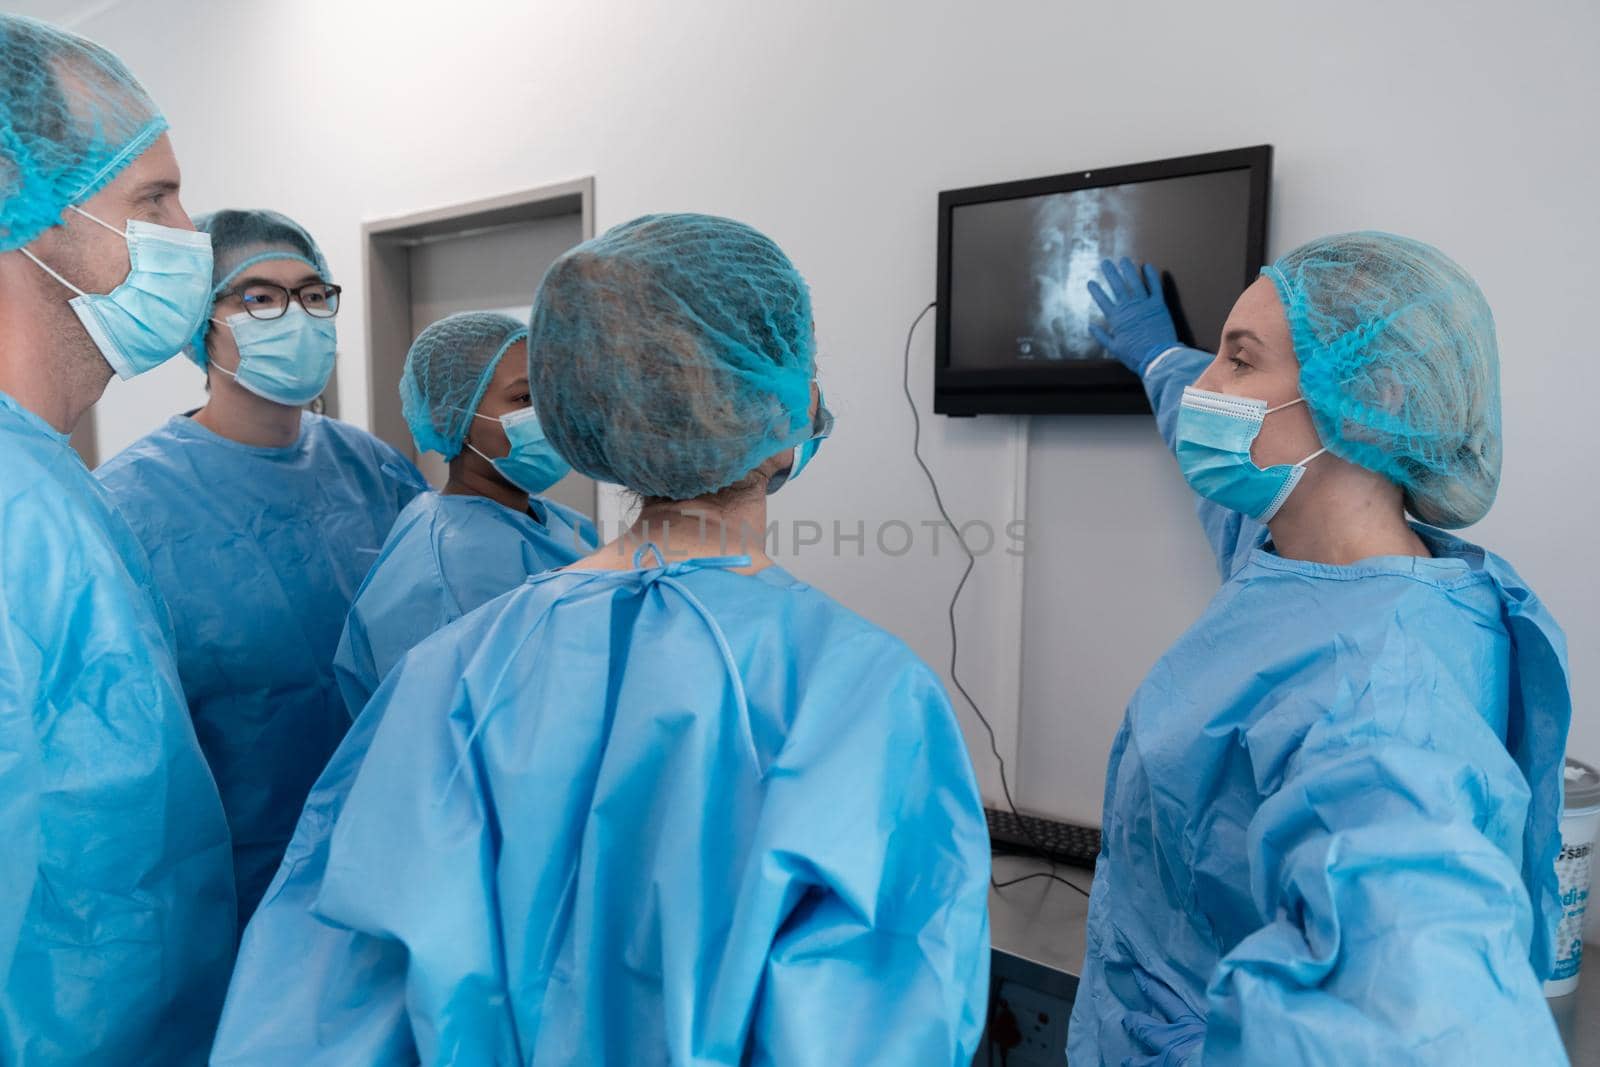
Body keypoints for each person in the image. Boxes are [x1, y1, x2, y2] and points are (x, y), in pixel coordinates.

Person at [213, 213, 991, 1066]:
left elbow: (317, 1011)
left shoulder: (451, 671)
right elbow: (880, 1029)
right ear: (788, 407)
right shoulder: (862, 695)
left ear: (588, 411)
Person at [1070, 240, 1571, 1064]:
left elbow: (1427, 1017)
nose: (1206, 387)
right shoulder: (1301, 554)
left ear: (1369, 399)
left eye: (1238, 359)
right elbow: (1206, 421)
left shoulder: (1380, 699)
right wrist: (1158, 353)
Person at [0, 14, 236, 1063]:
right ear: (20, 200)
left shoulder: (52, 485)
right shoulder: (11, 516)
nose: (190, 232)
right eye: (152, 198)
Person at [96, 208, 427, 926]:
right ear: (199, 323)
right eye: (259, 297)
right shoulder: (128, 505)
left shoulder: (373, 469)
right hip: (236, 884)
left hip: (388, 850)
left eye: (312, 294)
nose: (296, 315)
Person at [332, 310, 598, 717]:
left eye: (550, 393)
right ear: (451, 416)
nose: (547, 415)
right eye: (525, 399)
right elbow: (439, 740)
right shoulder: (440, 574)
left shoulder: (564, 524)